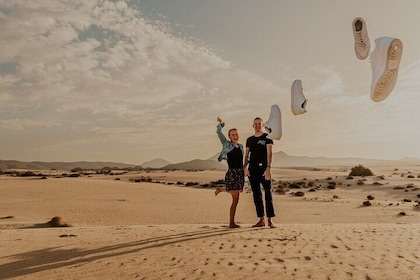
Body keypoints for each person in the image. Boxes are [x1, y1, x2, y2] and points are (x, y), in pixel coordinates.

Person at [244, 117, 276, 228]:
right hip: (252, 170)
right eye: (255, 124)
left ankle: (270, 220)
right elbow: (247, 155)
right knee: (256, 195)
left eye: (259, 123)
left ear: (262, 125)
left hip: (264, 170)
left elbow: (269, 153)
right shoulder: (249, 139)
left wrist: (268, 168)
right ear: (253, 125)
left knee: (268, 194)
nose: (257, 125)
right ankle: (261, 220)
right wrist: (245, 167)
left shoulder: (268, 137)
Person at [215, 116, 245, 228]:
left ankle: (221, 190)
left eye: (236, 134)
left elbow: (242, 161)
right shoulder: (226, 144)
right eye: (232, 134)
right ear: (229, 137)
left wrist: (244, 170)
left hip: (240, 174)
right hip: (232, 174)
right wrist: (220, 123)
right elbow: (219, 133)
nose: (235, 136)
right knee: (235, 199)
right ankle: (231, 223)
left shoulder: (241, 147)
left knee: (237, 195)